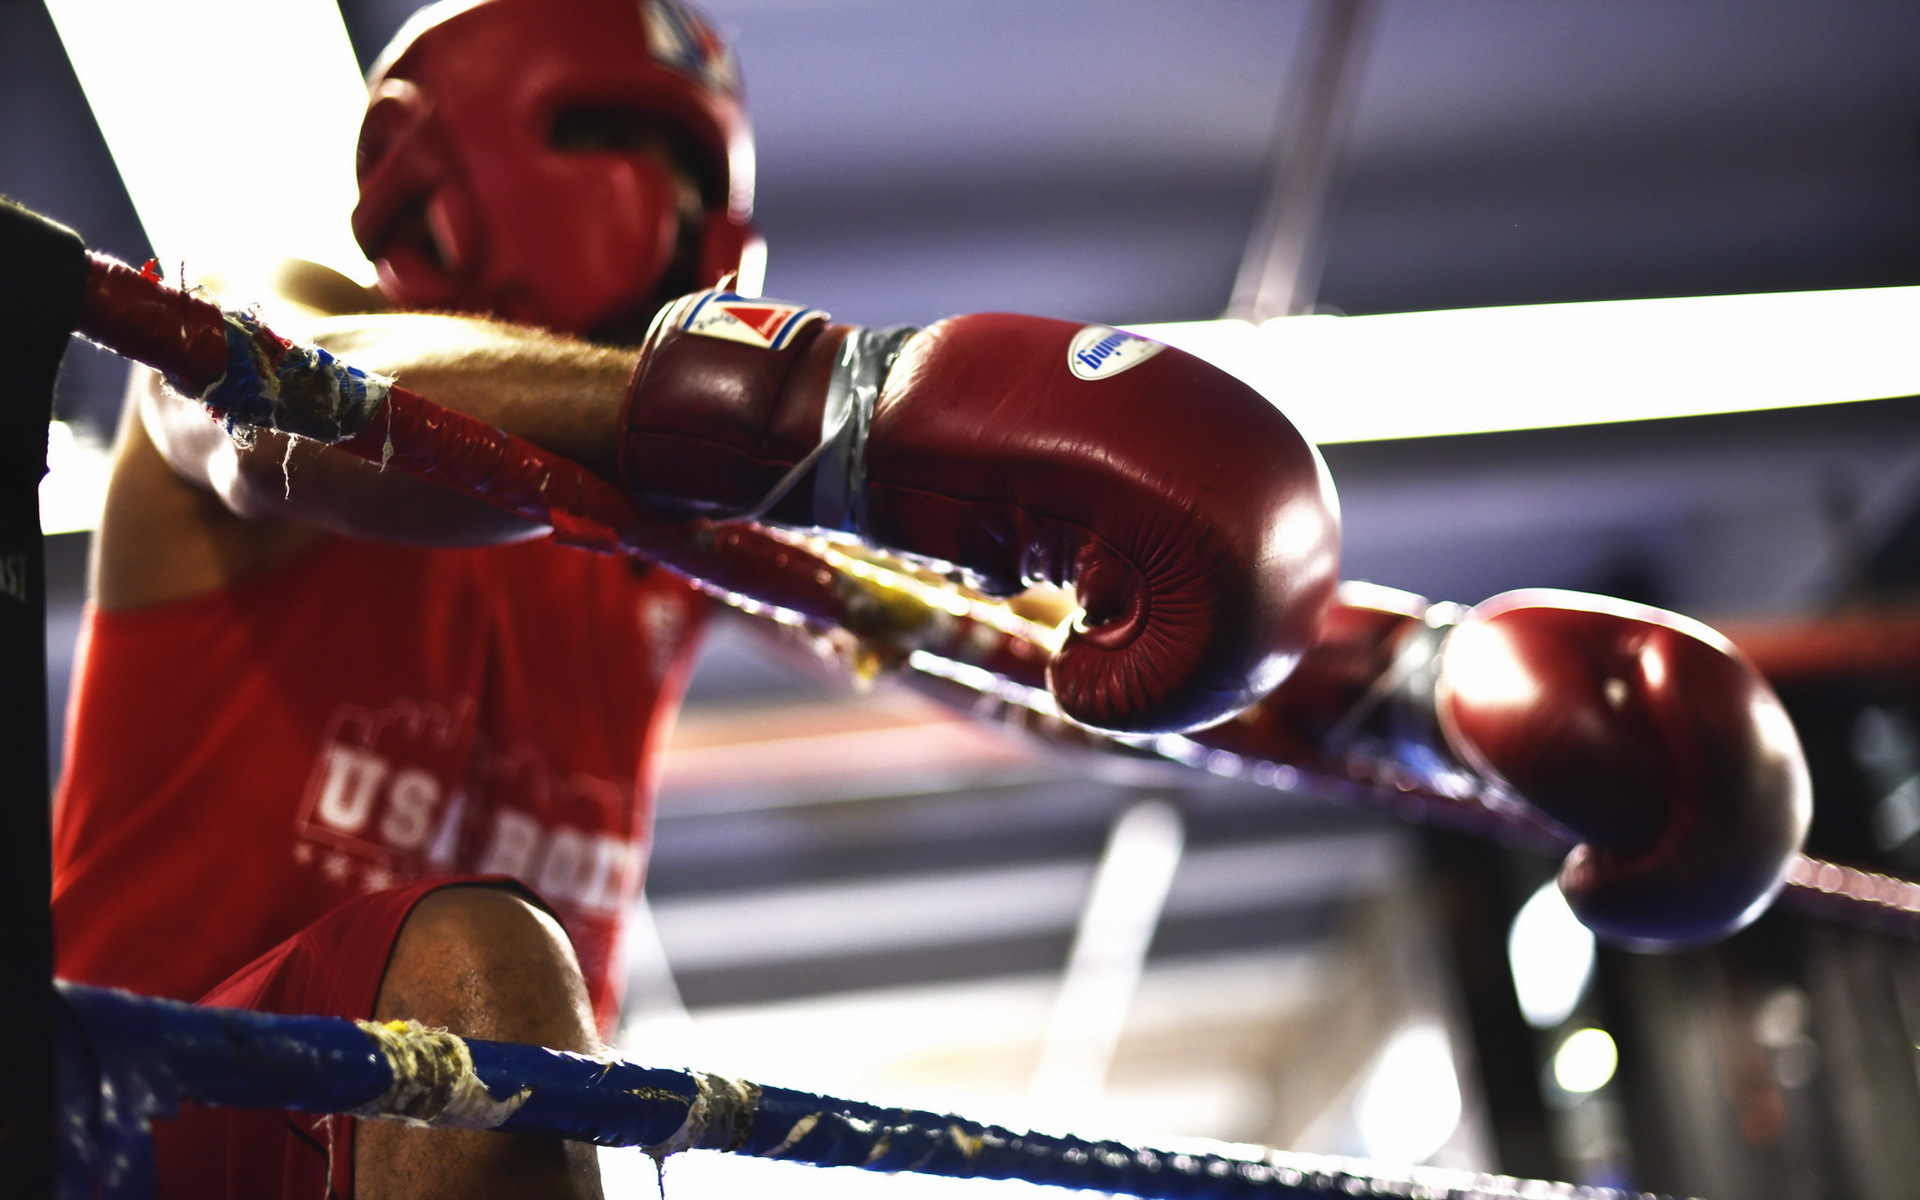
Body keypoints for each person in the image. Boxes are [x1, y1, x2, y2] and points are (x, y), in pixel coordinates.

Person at [49, 1, 1336, 1196]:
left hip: (402, 1146)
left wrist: (1425, 699)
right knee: (482, 975)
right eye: (617, 142)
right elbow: (286, 388)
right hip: (125, 1124)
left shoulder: (668, 532)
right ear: (426, 163)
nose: (678, 217)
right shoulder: (258, 335)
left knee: (521, 1036)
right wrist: (815, 408)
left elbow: (1023, 637)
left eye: (702, 179)